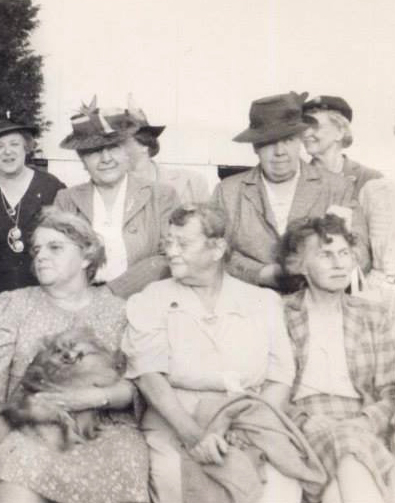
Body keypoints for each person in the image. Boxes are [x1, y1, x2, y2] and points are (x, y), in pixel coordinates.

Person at [0, 207, 149, 503]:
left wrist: (94, 398)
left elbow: (135, 385)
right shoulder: (15, 304)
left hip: (104, 427)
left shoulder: (119, 311)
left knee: (126, 460)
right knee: (22, 462)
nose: (41, 256)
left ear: (86, 256)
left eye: (55, 247)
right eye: (37, 249)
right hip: (32, 424)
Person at [123, 203, 304, 503]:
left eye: (183, 244)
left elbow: (280, 377)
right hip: (177, 419)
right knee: (174, 479)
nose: (171, 252)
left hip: (249, 415)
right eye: (169, 242)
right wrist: (195, 436)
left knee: (280, 484)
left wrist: (243, 427)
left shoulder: (262, 301)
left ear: (217, 248)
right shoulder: (152, 299)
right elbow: (149, 377)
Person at [279, 215, 395, 503]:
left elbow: (391, 390)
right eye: (325, 255)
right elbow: (265, 387)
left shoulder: (373, 315)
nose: (339, 264)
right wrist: (302, 420)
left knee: (335, 493)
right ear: (299, 265)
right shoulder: (280, 314)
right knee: (347, 448)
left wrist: (366, 421)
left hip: (362, 422)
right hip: (306, 428)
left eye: (344, 253)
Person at [212, 91, 369, 290]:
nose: (280, 152)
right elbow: (214, 251)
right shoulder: (228, 191)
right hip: (249, 300)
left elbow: (360, 253)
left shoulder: (337, 188)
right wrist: (262, 274)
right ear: (255, 147)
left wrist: (315, 271)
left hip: (317, 299)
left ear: (300, 140)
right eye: (269, 142)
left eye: (288, 140)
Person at [53, 98, 178, 299]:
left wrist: (112, 292)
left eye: (113, 148)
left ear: (127, 152)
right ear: (82, 160)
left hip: (145, 300)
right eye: (94, 151)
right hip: (81, 302)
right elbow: (57, 256)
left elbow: (169, 255)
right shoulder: (66, 199)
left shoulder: (161, 195)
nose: (106, 159)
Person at [302, 95, 395, 295]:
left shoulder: (370, 181)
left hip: (361, 289)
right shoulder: (297, 180)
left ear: (340, 132)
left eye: (315, 126)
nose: (306, 133)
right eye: (304, 126)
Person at [0, 118, 64, 306]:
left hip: (44, 293)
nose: (7, 151)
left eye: (14, 144)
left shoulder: (51, 187)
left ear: (26, 148)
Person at [122, 98, 211, 204]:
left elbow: (208, 214)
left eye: (122, 142)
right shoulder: (115, 189)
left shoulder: (191, 182)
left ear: (144, 145)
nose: (113, 152)